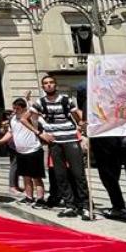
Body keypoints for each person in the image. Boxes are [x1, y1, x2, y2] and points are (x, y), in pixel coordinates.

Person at [29, 74, 93, 220]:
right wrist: (40, 133)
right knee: (60, 175)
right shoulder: (40, 102)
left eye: (51, 82)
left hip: (70, 139)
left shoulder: (66, 100)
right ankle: (70, 205)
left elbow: (78, 116)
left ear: (55, 85)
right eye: (46, 83)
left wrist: (83, 127)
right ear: (42, 86)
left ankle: (85, 206)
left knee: (78, 174)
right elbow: (25, 119)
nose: (49, 85)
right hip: (54, 142)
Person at [0, 98, 47, 207]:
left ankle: (40, 199)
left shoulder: (31, 118)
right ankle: (29, 197)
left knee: (36, 177)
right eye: (14, 108)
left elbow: (35, 108)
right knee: (26, 176)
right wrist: (1, 141)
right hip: (20, 152)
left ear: (24, 108)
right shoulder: (12, 119)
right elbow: (10, 132)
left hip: (34, 150)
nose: (15, 110)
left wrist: (28, 99)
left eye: (18, 108)